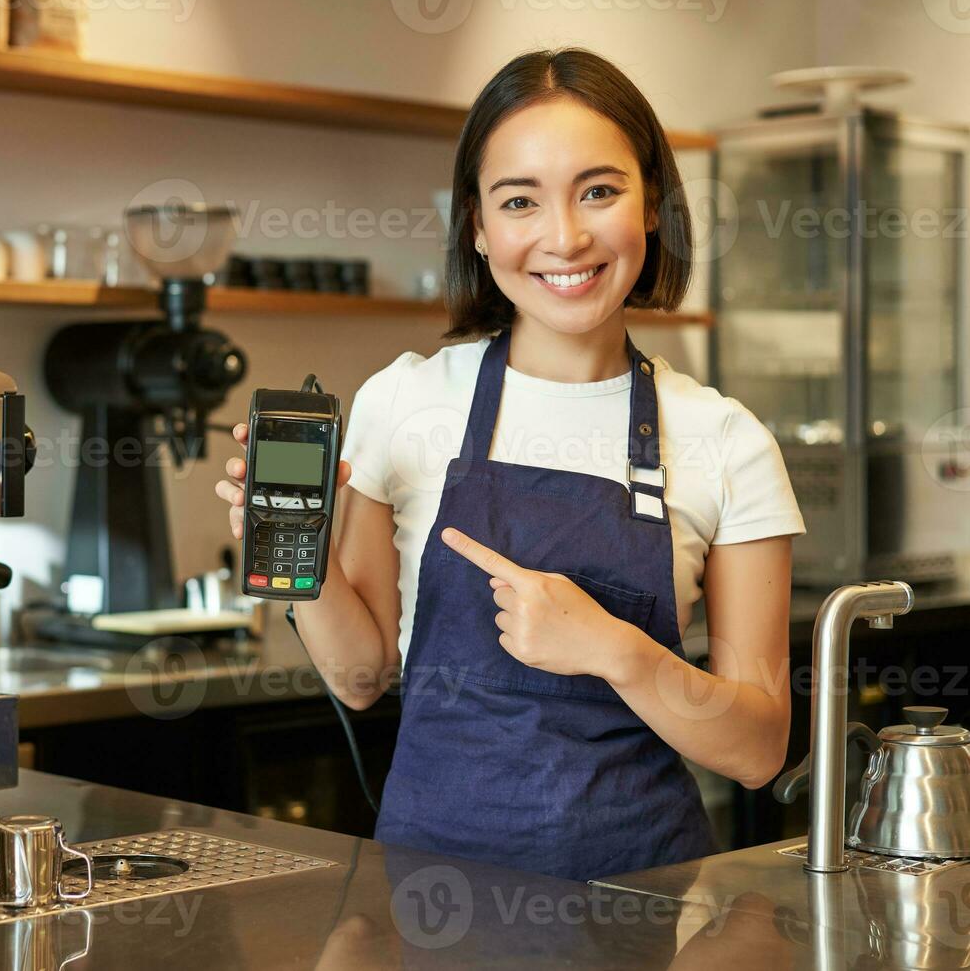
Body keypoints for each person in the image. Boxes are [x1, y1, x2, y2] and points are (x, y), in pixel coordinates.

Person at [214, 48, 803, 881]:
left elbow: (756, 749)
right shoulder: (405, 401)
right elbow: (359, 675)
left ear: (656, 209)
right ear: (478, 228)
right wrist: (296, 564)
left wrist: (613, 649)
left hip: (640, 904)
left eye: (599, 191)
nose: (564, 236)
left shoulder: (725, 439)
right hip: (430, 906)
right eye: (519, 200)